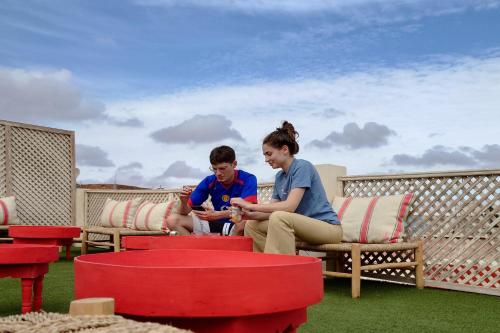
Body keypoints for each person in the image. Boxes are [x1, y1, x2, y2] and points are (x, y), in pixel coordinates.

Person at [230, 121, 342, 254]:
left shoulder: (302, 167)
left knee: (280, 217)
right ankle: (263, 268)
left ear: (284, 149)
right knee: (252, 225)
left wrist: (249, 205)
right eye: (265, 155)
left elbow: (289, 207)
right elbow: (270, 211)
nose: (266, 159)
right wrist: (248, 215)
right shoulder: (280, 177)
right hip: (300, 227)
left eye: (269, 154)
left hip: (327, 228)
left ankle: (280, 270)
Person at [167, 145, 257, 236]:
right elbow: (184, 212)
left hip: (236, 223)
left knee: (243, 222)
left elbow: (248, 211)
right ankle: (197, 249)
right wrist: (183, 201)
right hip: (217, 224)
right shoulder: (209, 181)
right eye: (214, 169)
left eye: (222, 168)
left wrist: (219, 215)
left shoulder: (248, 179)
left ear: (234, 164)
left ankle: (226, 247)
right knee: (172, 220)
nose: (218, 173)